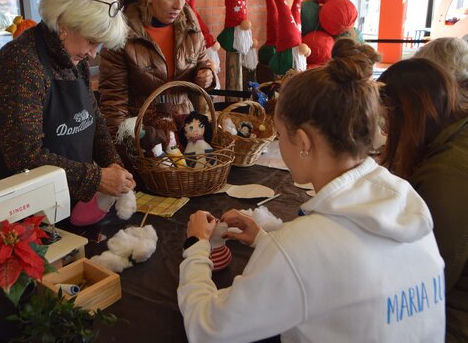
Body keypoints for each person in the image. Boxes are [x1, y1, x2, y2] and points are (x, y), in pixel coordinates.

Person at [178, 53, 445, 342]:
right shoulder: (407, 200)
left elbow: (206, 328)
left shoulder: (300, 247)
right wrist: (265, 241)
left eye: (280, 135)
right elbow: (339, 275)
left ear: (303, 141)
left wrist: (196, 246)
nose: (278, 144)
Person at [0, 0, 135, 225]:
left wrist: (114, 166)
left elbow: (94, 121)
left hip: (66, 200)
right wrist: (97, 178)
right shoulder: (20, 64)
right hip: (20, 212)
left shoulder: (73, 59)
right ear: (65, 24)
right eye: (92, 41)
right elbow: (25, 158)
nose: (93, 54)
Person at [378, 57, 468, 343]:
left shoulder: (445, 175)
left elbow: (428, 278)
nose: (384, 131)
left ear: (409, 114)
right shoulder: (454, 137)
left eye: (388, 120)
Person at [98, 0, 216, 144]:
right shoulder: (121, 34)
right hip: (144, 133)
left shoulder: (190, 27)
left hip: (186, 128)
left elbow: (202, 61)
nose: (179, 5)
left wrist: (207, 74)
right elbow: (113, 100)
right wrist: (122, 144)